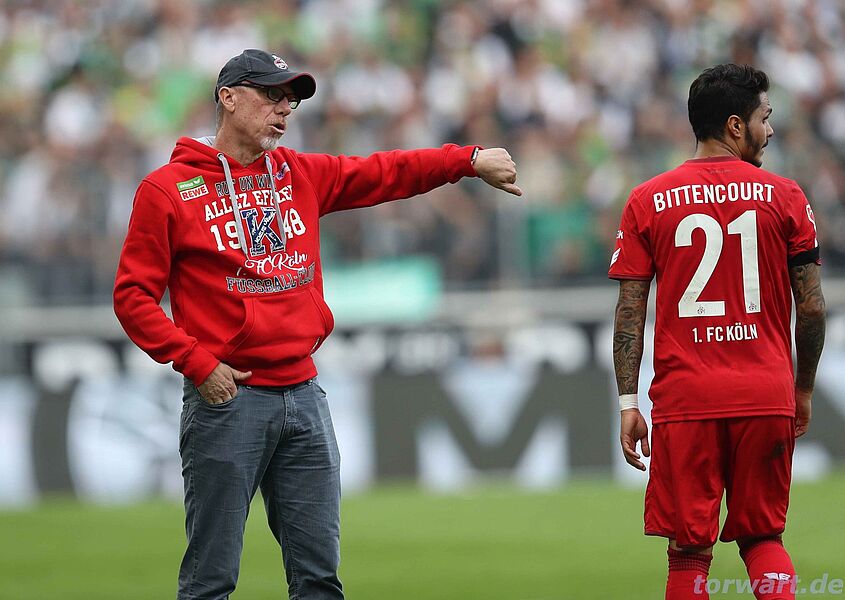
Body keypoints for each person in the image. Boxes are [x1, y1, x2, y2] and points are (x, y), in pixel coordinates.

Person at [113, 48, 521, 600]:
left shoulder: (298, 173)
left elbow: (386, 172)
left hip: (304, 394)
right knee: (210, 582)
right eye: (271, 95)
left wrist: (466, 160)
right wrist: (197, 363)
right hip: (228, 400)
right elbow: (132, 297)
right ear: (228, 98)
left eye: (291, 99)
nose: (284, 108)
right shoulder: (167, 190)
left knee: (320, 581)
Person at [609, 64, 825, 600]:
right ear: (734, 125)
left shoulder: (647, 200)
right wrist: (801, 389)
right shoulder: (786, 195)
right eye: (764, 118)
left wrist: (628, 401)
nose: (769, 130)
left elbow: (630, 310)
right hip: (765, 392)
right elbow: (813, 308)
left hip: (686, 399)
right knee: (763, 537)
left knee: (688, 551)